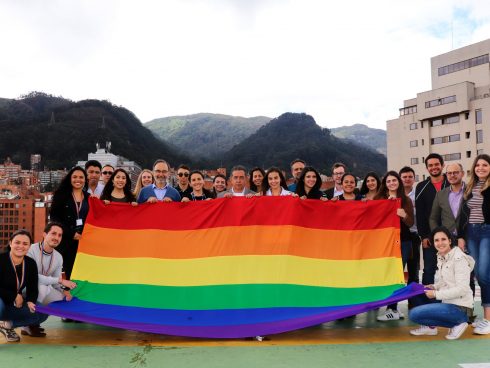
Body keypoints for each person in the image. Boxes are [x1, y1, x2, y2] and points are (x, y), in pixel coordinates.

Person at [409, 226, 474, 340]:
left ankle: (459, 322)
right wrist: (433, 286)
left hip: (461, 308)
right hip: (448, 301)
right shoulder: (442, 256)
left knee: (414, 314)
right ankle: (431, 327)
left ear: (449, 241)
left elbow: (462, 289)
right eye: (436, 240)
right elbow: (445, 281)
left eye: (443, 239)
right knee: (416, 293)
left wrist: (435, 294)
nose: (440, 243)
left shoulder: (459, 259)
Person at [24, 222, 77, 337]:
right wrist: (59, 281)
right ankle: (29, 324)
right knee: (41, 289)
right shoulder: (31, 250)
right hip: (25, 289)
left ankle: (34, 322)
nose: (56, 238)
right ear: (44, 234)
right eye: (53, 233)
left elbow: (57, 282)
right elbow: (31, 277)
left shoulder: (58, 256)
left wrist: (65, 291)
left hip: (43, 288)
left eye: (59, 235)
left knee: (63, 299)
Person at [375, 171, 414, 321]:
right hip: (384, 243)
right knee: (386, 275)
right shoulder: (379, 199)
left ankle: (392, 309)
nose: (392, 183)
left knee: (397, 275)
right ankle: (390, 307)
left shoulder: (406, 200)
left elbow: (411, 223)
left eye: (394, 180)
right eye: (388, 181)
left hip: (403, 242)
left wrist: (403, 215)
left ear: (399, 182)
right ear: (385, 184)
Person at [459, 154, 490, 334]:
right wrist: (461, 236)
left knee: (484, 274)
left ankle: (487, 319)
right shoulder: (470, 187)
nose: (481, 168)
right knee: (477, 274)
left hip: (487, 231)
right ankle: (484, 318)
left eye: (485, 165)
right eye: (478, 165)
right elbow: (463, 215)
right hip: (471, 232)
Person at [0, 230, 48, 343]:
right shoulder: (1, 260)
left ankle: (7, 325)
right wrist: (13, 296)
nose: (21, 246)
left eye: (25, 244)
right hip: (2, 300)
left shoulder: (30, 263)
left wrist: (31, 300)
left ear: (29, 246)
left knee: (42, 311)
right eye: (17, 242)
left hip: (15, 304)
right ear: (11, 243)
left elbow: (33, 287)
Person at [50, 166, 90, 280]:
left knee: (79, 272)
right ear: (70, 178)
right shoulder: (61, 195)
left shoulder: (88, 197)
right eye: (75, 177)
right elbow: (55, 218)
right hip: (65, 241)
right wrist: (71, 233)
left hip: (82, 241)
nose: (78, 180)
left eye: (81, 177)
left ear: (85, 180)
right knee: (64, 271)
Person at [415, 153, 449, 285]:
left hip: (450, 235)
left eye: (436, 164)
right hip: (429, 237)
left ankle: (450, 301)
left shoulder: (450, 183)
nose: (434, 167)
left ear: (442, 165)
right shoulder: (421, 186)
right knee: (429, 269)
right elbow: (420, 214)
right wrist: (423, 236)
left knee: (450, 269)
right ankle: (426, 302)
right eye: (430, 165)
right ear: (427, 168)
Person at [429, 163, 466, 245]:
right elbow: (433, 218)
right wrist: (439, 235)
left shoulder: (470, 191)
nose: (452, 175)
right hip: (448, 240)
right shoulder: (440, 194)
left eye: (455, 172)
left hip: (468, 238)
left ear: (462, 174)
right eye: (449, 173)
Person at [399, 166, 421, 286]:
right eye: (404, 177)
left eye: (410, 177)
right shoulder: (394, 196)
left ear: (414, 179)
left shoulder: (418, 195)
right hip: (398, 238)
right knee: (397, 271)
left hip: (414, 236)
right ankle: (393, 303)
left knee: (414, 271)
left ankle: (413, 303)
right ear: (400, 179)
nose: (407, 179)